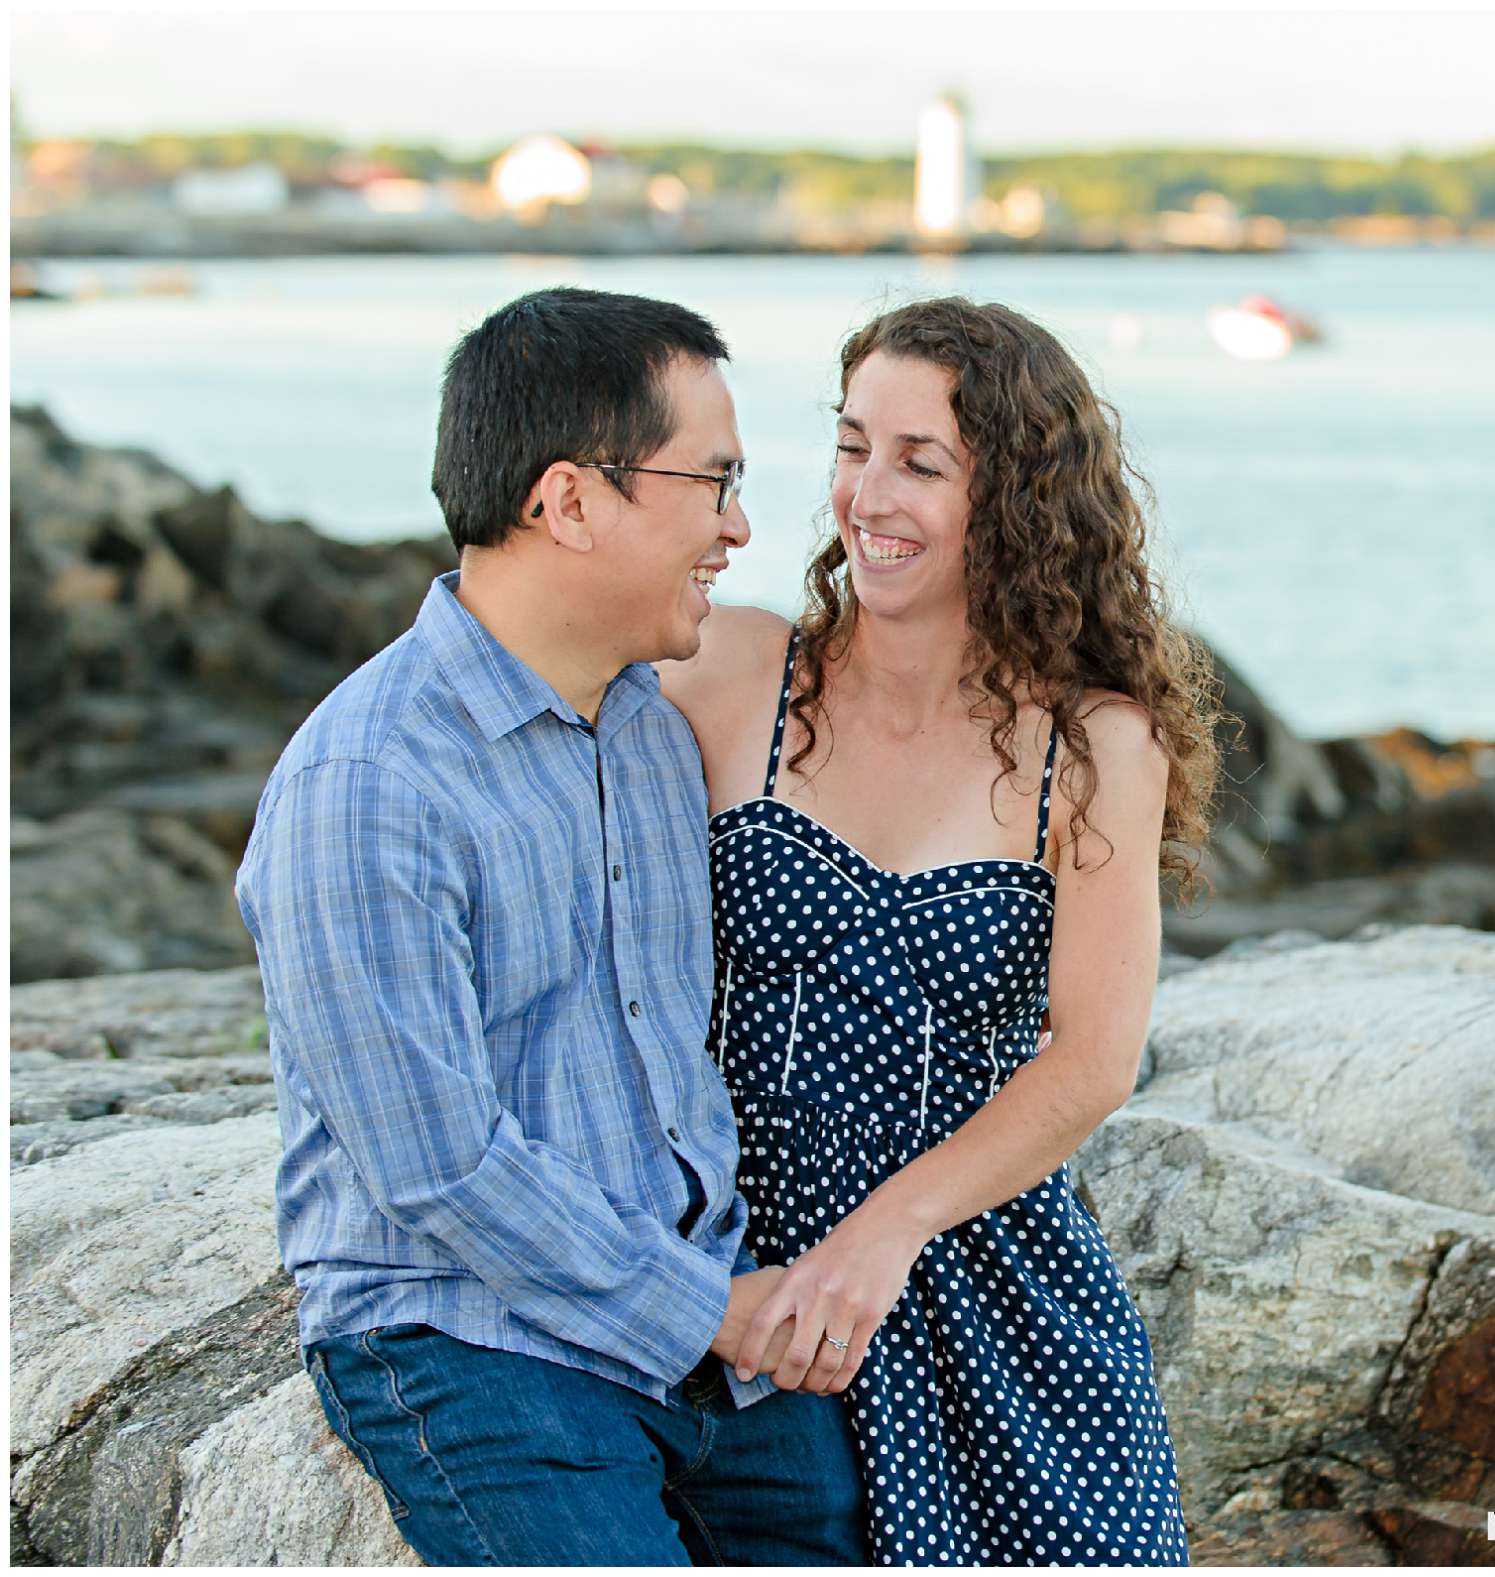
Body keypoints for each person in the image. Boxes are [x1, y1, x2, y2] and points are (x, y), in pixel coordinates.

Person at [235, 286, 867, 1566]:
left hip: (701, 1338)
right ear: (570, 501)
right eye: (714, 480)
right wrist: (713, 1312)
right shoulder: (369, 784)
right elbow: (437, 1162)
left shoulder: (645, 726)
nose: (740, 527)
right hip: (472, 1339)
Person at [656, 296, 1220, 1563]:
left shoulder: (1090, 746)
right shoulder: (731, 672)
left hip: (982, 1279)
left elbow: (1090, 1058)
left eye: (922, 462)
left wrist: (884, 1232)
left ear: (1015, 497)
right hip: (751, 1282)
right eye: (853, 446)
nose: (868, 495)